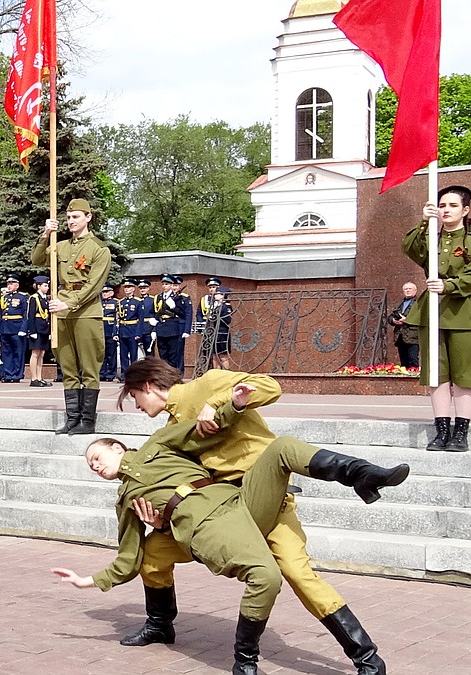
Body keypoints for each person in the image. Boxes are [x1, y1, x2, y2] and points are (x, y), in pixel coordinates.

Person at [52, 390, 406, 675]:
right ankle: (233, 653)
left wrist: (234, 406)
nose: (95, 466)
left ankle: (361, 473)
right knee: (175, 559)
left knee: (281, 448)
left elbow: (203, 429)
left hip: (241, 500)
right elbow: (130, 555)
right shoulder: (126, 501)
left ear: (117, 447)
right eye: (90, 466)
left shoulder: (157, 443)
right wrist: (89, 581)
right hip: (208, 525)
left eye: (96, 457)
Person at [33, 198, 112, 433]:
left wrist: (69, 304)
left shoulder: (98, 248)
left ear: (88, 217)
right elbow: (36, 260)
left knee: (88, 367)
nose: (70, 221)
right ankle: (72, 419)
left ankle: (87, 421)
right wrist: (46, 234)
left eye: (75, 217)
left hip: (85, 313)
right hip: (62, 312)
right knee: (67, 367)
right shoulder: (61, 246)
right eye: (68, 218)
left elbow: (94, 286)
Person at [403, 185, 471, 451]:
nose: (446, 210)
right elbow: (409, 247)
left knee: (464, 376)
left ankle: (461, 432)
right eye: (442, 205)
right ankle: (441, 431)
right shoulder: (432, 237)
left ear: (466, 210)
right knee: (437, 374)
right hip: (433, 312)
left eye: (453, 205)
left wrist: (450, 286)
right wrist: (424, 221)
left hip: (463, 313)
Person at [0, 274, 28, 383]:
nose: (9, 285)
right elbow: (0, 316)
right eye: (8, 283)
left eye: (12, 283)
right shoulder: (4, 298)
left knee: (18, 352)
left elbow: (26, 315)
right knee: (6, 352)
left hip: (17, 328)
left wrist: (23, 329)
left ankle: (17, 374)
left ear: (17, 285)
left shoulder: (23, 297)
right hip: (5, 328)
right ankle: (8, 374)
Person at [25, 276, 52, 387]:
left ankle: (40, 377)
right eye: (45, 285)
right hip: (36, 328)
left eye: (47, 285)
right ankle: (33, 378)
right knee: (35, 353)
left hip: (44, 328)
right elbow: (30, 316)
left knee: (42, 353)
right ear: (39, 286)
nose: (47, 287)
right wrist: (32, 331)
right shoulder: (34, 298)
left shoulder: (46, 298)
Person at [390, 281, 421, 369]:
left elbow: (421, 317)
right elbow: (390, 316)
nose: (407, 290)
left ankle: (414, 380)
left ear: (415, 290)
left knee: (413, 360)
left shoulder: (418, 303)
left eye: (409, 289)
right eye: (405, 289)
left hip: (413, 336)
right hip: (400, 336)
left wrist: (407, 320)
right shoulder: (400, 303)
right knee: (403, 362)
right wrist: (393, 320)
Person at [99, 284, 119, 382]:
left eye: (106, 292)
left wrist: (116, 332)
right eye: (103, 292)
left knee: (111, 354)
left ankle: (111, 374)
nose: (104, 294)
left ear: (112, 293)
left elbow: (117, 319)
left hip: (110, 331)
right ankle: (102, 373)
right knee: (101, 354)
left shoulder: (116, 303)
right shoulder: (99, 302)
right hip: (100, 331)